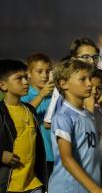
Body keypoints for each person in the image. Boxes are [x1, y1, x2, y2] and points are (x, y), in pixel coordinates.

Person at [48, 59, 102, 193]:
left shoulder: (87, 115)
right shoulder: (63, 117)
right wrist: (95, 189)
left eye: (89, 79)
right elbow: (67, 159)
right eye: (83, 79)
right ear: (64, 84)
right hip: (68, 188)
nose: (90, 83)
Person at [44, 37, 102, 129]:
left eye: (95, 57)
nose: (91, 61)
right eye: (85, 57)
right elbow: (48, 122)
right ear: (73, 59)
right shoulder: (66, 84)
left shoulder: (101, 83)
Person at [0, 59, 47, 193]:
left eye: (26, 77)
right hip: (9, 187)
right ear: (3, 85)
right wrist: (1, 155)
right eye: (19, 78)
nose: (26, 82)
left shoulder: (29, 110)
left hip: (34, 185)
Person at [21, 53, 55, 177]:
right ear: (29, 74)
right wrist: (42, 94)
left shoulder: (55, 95)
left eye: (48, 71)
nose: (44, 76)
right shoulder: (25, 93)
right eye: (39, 71)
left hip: (56, 153)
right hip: (37, 155)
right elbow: (24, 114)